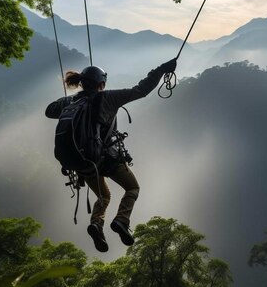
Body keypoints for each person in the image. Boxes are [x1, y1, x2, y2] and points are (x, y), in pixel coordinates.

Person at [45, 59, 177, 252]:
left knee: (103, 196)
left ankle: (96, 224)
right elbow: (141, 89)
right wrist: (163, 69)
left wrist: (68, 100)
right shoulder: (107, 98)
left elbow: (49, 111)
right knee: (132, 187)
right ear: (102, 84)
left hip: (82, 164)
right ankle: (121, 221)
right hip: (104, 159)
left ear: (82, 83)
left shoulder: (70, 102)